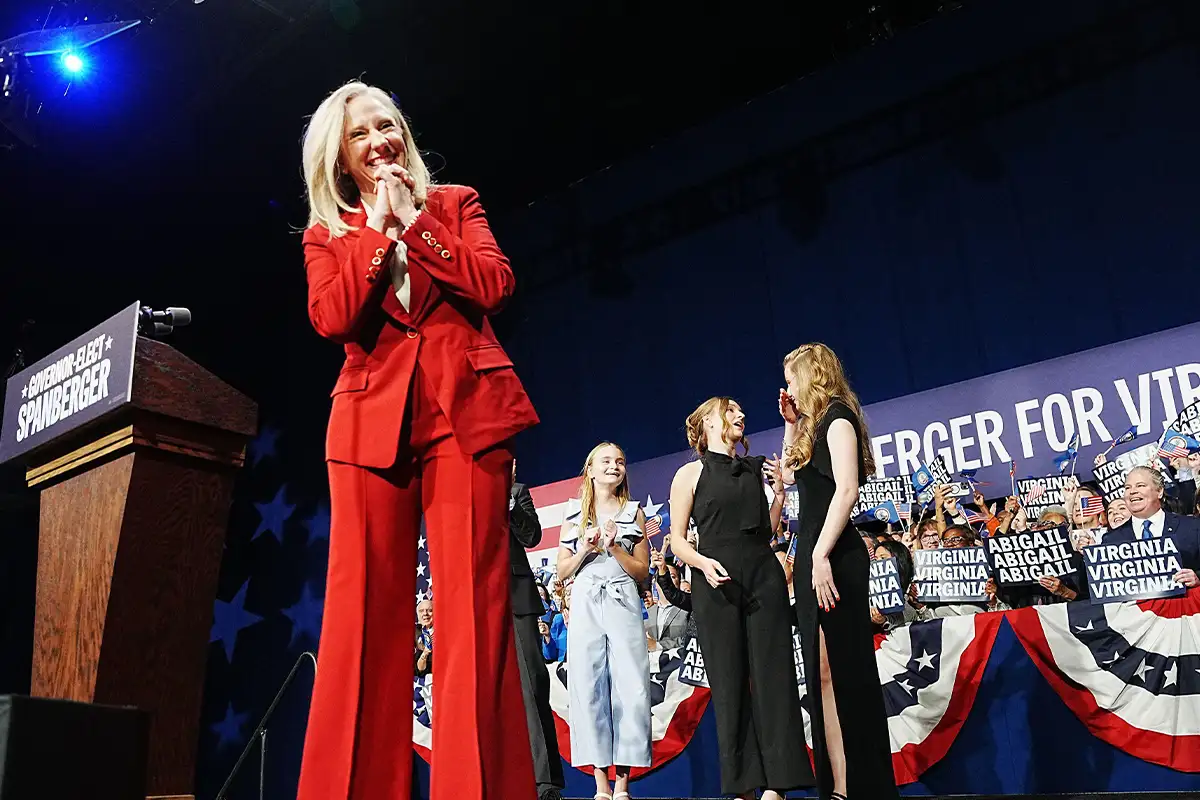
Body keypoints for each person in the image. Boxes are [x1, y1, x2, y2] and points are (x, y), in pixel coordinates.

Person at [297, 80, 539, 800]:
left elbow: (494, 285)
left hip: (466, 420)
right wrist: (376, 231)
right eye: (362, 134)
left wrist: (416, 223)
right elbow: (334, 318)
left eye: (388, 125)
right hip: (370, 428)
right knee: (363, 620)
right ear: (341, 158)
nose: (380, 142)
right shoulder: (328, 234)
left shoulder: (454, 205)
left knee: (474, 615)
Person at [667, 398, 812, 800]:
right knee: (729, 683)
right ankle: (745, 785)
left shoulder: (754, 469)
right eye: (730, 412)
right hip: (715, 585)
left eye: (741, 412)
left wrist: (779, 496)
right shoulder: (689, 474)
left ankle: (778, 786)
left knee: (774, 676)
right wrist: (702, 563)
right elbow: (678, 540)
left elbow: (764, 530)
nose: (740, 416)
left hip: (763, 577)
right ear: (708, 423)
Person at [780, 343, 899, 800]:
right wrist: (791, 426)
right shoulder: (811, 426)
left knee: (849, 672)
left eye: (792, 377)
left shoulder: (839, 420)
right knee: (823, 672)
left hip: (835, 557)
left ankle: (867, 785)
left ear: (813, 374)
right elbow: (788, 477)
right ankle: (840, 785)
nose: (788, 386)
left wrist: (820, 555)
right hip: (815, 555)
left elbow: (846, 491)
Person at [556, 443, 652, 800]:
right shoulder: (573, 514)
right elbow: (562, 570)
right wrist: (585, 547)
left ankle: (623, 783)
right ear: (591, 470)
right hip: (585, 602)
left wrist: (614, 548)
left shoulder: (633, 511)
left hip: (622, 600)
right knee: (588, 687)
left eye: (621, 462)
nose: (615, 466)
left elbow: (642, 570)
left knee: (631, 686)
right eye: (607, 461)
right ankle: (600, 785)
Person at [509, 461, 567, 800]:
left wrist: (507, 500)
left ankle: (545, 782)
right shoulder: (464, 496)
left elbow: (531, 536)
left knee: (531, 686)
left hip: (516, 601)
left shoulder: (516, 493)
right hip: (475, 603)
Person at [1103, 466, 1199, 584]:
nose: (1132, 491)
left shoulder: (1192, 527)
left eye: (1140, 485)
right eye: (1127, 487)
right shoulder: (1111, 540)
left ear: (1159, 491)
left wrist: (1197, 578)